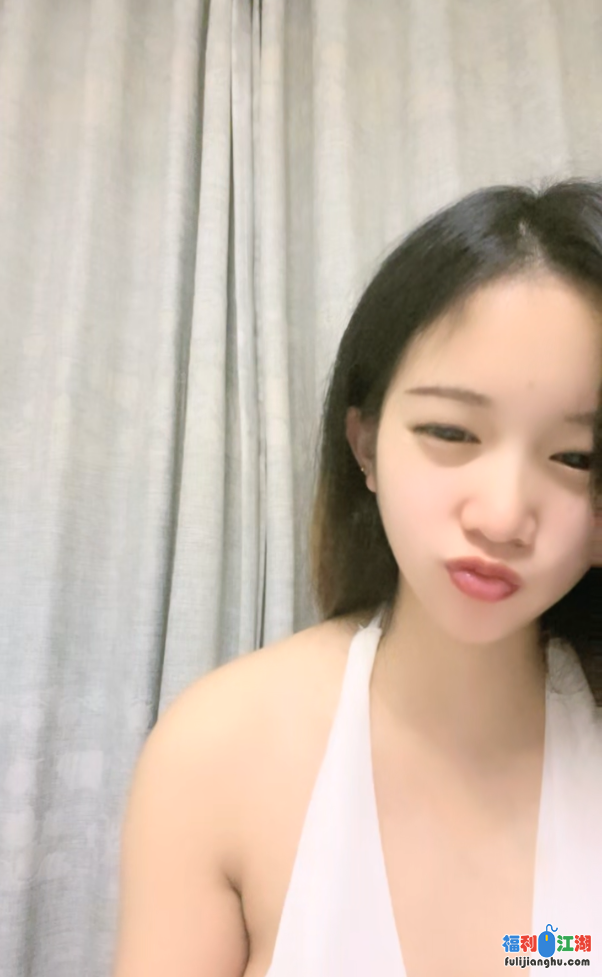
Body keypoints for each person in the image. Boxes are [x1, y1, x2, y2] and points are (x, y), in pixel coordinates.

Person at [111, 180, 602, 977]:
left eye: (575, 457)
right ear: (366, 445)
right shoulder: (216, 753)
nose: (504, 515)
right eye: (451, 431)